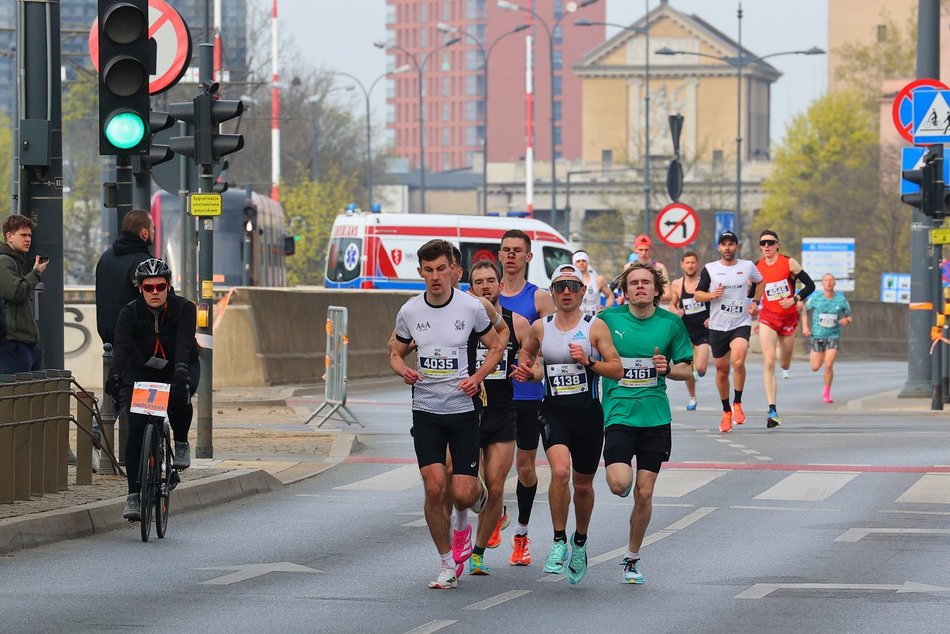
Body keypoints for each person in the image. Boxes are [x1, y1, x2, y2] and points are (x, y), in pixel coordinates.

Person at [390, 239, 505, 590]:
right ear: (420, 272)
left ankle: (473, 508)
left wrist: (478, 377)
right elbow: (395, 353)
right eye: (429, 271)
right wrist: (403, 370)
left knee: (463, 493)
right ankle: (446, 564)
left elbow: (496, 345)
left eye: (441, 269)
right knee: (435, 486)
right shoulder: (410, 311)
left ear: (452, 270)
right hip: (426, 410)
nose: (436, 277)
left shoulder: (471, 307)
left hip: (463, 410)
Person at [511, 264, 623, 585]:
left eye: (572, 286)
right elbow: (527, 357)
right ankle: (559, 540)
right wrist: (529, 372)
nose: (566, 292)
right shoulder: (540, 327)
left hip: (587, 414)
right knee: (560, 472)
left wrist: (589, 361)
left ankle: (580, 541)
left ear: (582, 291)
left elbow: (617, 370)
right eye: (560, 287)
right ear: (553, 292)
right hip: (554, 410)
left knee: (583, 485)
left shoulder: (594, 327)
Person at [598, 261, 693, 584]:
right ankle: (622, 479)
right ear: (625, 291)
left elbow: (687, 369)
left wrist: (667, 369)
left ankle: (632, 557)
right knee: (619, 484)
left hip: (656, 418)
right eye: (634, 283)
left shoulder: (671, 324)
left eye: (646, 282)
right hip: (619, 414)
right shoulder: (607, 320)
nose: (640, 286)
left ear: (656, 291)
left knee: (645, 493)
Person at [106, 259, 199, 521]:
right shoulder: (130, 313)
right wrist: (115, 375)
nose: (155, 292)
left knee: (180, 395)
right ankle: (134, 495)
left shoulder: (184, 309)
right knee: (136, 428)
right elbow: (122, 348)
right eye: (149, 287)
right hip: (142, 370)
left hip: (178, 365)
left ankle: (181, 441)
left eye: (160, 286)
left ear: (169, 286)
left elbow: (184, 344)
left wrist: (180, 370)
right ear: (140, 289)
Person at [465, 259, 536, 575]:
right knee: (471, 487)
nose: (485, 286)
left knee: (495, 484)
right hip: (468, 411)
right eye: (478, 282)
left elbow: (534, 363)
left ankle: (477, 554)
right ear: (471, 289)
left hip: (504, 412)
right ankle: (492, 515)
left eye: (490, 281)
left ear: (500, 285)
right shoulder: (463, 322)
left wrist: (528, 371)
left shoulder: (517, 323)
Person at [497, 229, 555, 566]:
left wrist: (532, 364)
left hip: (529, 393)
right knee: (487, 466)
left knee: (525, 467)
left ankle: (521, 535)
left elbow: (554, 344)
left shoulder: (539, 299)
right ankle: (496, 511)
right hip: (493, 393)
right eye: (506, 250)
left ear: (528, 256)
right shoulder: (484, 294)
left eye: (517, 250)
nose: (511, 255)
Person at [693, 231, 763, 433]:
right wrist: (712, 295)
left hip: (740, 322)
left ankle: (737, 403)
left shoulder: (747, 266)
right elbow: (697, 295)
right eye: (724, 244)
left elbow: (761, 281)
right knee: (722, 370)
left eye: (731, 244)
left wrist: (755, 302)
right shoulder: (710, 269)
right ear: (719, 247)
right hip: (718, 325)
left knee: (738, 362)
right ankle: (726, 411)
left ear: (736, 247)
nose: (727, 247)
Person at [755, 229, 815, 428]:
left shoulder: (789, 263)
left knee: (785, 363)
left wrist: (795, 299)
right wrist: (752, 302)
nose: (766, 246)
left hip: (788, 318)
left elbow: (810, 285)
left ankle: (783, 358)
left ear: (777, 245)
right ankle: (772, 410)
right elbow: (752, 291)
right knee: (769, 361)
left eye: (770, 243)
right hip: (768, 317)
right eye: (763, 243)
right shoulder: (757, 267)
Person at [95, 209, 155, 346]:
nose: (154, 232)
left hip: (109, 341)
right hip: (137, 342)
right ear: (144, 233)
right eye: (153, 228)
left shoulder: (106, 257)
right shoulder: (145, 263)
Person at [0, 214, 49, 373]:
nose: (28, 239)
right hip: (13, 344)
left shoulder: (16, 260)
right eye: (23, 235)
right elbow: (16, 292)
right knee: (19, 388)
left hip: (26, 343)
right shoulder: (4, 261)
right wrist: (36, 273)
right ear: (9, 237)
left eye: (29, 235)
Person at [669, 251, 710, 411]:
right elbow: (672, 304)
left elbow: (713, 301)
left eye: (693, 262)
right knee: (688, 369)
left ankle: (699, 371)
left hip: (702, 330)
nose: (690, 265)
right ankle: (692, 398)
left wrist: (712, 317)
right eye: (687, 262)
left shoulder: (704, 282)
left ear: (697, 264)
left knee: (701, 368)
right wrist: (676, 311)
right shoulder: (677, 284)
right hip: (685, 331)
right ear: (682, 264)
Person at [803, 273, 853, 403]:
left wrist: (847, 320)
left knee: (829, 364)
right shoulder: (816, 298)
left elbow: (849, 316)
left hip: (833, 335)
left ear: (834, 283)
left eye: (831, 280)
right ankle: (818, 355)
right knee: (815, 367)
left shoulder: (841, 300)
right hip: (817, 335)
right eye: (826, 280)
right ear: (823, 283)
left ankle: (826, 393)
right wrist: (805, 327)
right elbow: (803, 310)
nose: (829, 282)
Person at [626, 235, 672, 304]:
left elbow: (668, 294)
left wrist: (648, 297)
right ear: (635, 249)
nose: (643, 253)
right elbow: (625, 293)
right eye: (641, 250)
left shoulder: (660, 268)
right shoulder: (628, 267)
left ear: (651, 250)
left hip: (654, 306)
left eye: (646, 250)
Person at [571, 250, 614, 315]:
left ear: (587, 262)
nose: (581, 263)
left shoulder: (598, 279)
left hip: (594, 317)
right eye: (578, 261)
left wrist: (606, 309)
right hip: (575, 317)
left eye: (584, 260)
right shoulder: (570, 280)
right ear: (574, 263)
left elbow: (610, 296)